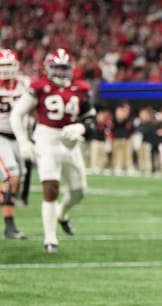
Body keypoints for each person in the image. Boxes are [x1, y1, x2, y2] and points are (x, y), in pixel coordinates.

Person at [10, 48, 95, 254]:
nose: (60, 72)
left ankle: (62, 214)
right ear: (48, 68)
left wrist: (81, 127)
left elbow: (91, 119)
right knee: (51, 188)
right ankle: (50, 239)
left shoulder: (81, 88)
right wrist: (23, 141)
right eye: (56, 67)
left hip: (70, 141)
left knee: (79, 190)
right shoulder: (39, 87)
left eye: (64, 68)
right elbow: (17, 114)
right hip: (46, 139)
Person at [0, 49, 27, 239]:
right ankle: (9, 226)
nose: (7, 70)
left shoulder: (25, 85)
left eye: (10, 65)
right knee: (12, 176)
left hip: (20, 137)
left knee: (20, 177)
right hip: (1, 136)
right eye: (3, 66)